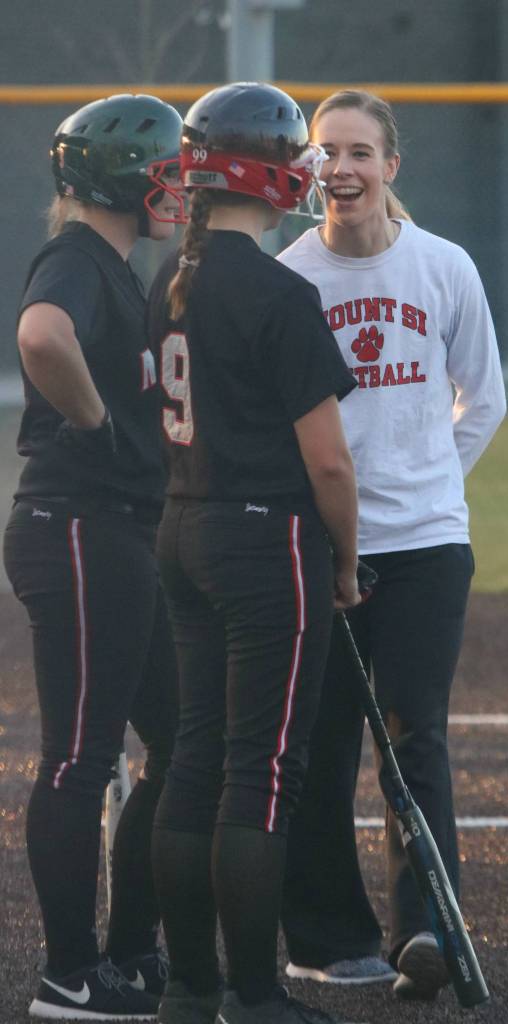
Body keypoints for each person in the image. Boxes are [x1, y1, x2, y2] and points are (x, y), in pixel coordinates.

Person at [277, 89, 506, 1000]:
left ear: (391, 166)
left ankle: (427, 929)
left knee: (417, 736)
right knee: (322, 741)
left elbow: (481, 399)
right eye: (327, 152)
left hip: (424, 544)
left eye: (361, 152)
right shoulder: (290, 277)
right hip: (318, 539)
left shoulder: (444, 266)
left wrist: (427, 478)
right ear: (306, 170)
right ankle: (330, 936)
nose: (343, 168)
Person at [147, 82, 361, 1024]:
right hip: (263, 535)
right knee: (261, 765)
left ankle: (190, 987)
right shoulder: (279, 288)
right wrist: (346, 561)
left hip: (183, 526)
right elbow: (329, 463)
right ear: (261, 170)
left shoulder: (171, 279)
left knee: (194, 755)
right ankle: (254, 991)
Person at [2, 94, 186, 1020]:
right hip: (77, 525)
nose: (178, 187)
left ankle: (128, 951)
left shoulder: (118, 266)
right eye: (165, 171)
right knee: (80, 756)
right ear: (119, 178)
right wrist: (101, 423)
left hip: (111, 531)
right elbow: (41, 335)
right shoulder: (77, 257)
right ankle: (69, 977)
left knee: (181, 735)